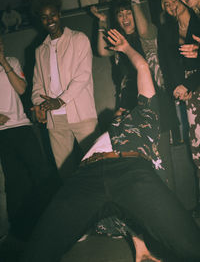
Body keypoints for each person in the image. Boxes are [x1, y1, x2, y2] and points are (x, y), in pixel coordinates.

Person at [20, 28, 200, 262]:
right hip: (86, 177)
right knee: (37, 251)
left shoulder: (147, 114)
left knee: (191, 246)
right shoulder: (103, 133)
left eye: (123, 108)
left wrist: (126, 48)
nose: (118, 111)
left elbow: (143, 67)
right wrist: (140, 246)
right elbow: (128, 209)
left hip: (131, 170)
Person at [0, 35, 61, 239]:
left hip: (22, 126)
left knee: (41, 173)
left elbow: (22, 88)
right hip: (2, 133)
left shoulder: (12, 62)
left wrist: (3, 61)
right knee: (15, 182)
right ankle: (20, 230)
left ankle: (51, 221)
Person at [31, 0, 98, 173]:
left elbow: (83, 76)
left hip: (82, 114)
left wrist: (60, 100)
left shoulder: (79, 39)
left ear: (59, 14)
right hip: (55, 119)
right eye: (44, 17)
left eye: (52, 15)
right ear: (40, 21)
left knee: (97, 164)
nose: (49, 20)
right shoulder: (40, 50)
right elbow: (37, 85)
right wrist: (39, 104)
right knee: (64, 171)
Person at [158, 0, 200, 181]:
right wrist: (176, 87)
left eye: (174, 0)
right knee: (197, 148)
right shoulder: (166, 30)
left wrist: (188, 84)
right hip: (188, 93)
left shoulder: (198, 21)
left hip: (193, 85)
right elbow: (166, 64)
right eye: (166, 4)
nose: (171, 5)